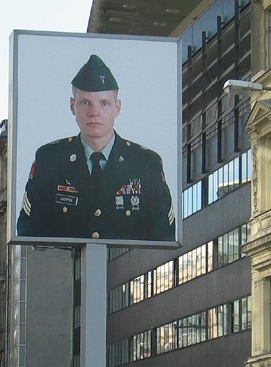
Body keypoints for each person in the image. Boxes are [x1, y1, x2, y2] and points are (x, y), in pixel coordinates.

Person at [16, 54, 175, 242]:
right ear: (72, 106)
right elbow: (30, 233)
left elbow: (164, 236)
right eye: (85, 102)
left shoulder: (146, 164)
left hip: (129, 270)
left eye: (104, 103)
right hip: (66, 269)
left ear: (117, 108)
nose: (94, 112)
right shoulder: (49, 160)